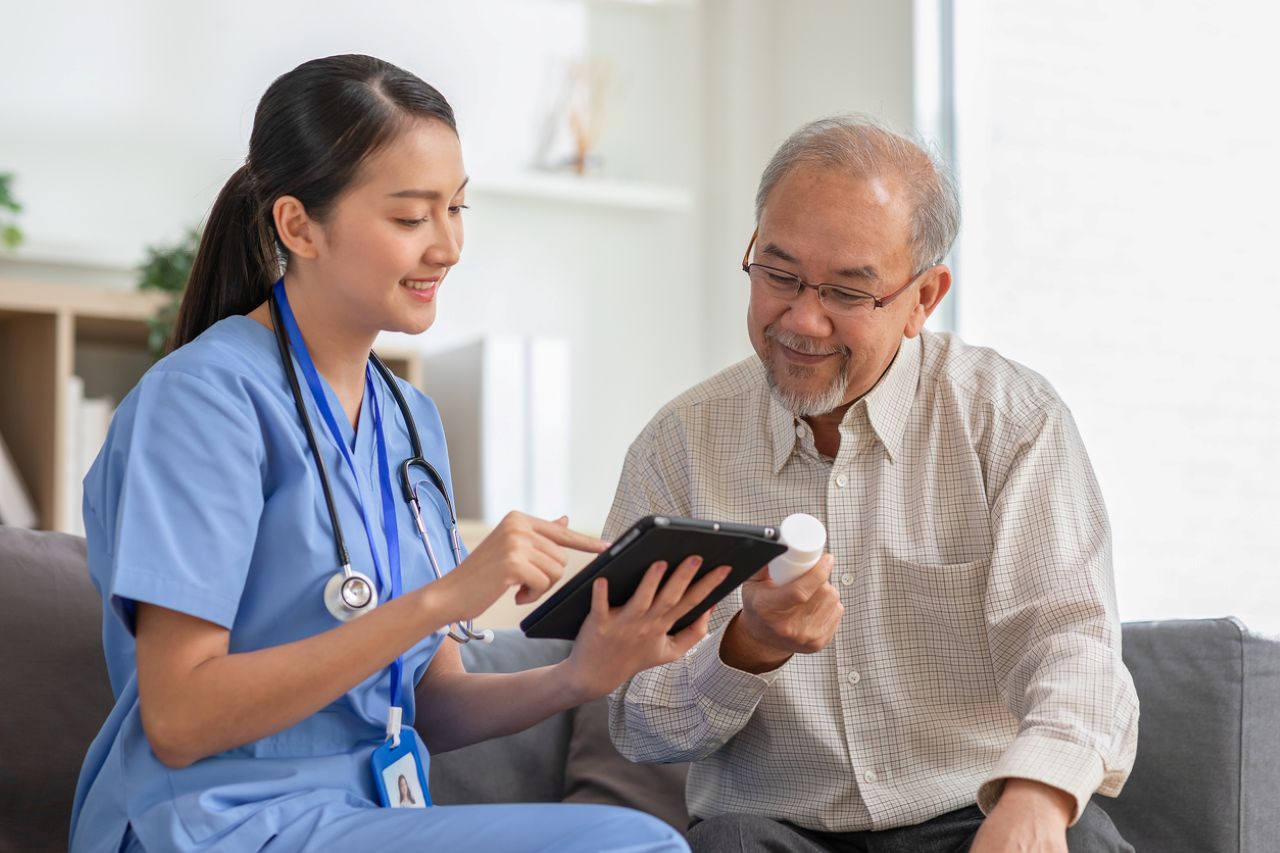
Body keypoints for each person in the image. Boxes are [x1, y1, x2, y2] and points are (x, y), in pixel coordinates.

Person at [69, 54, 719, 853]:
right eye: (411, 217)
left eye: (457, 207)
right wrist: (446, 596)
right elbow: (177, 719)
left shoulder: (408, 420)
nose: (447, 245)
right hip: (212, 822)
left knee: (638, 836)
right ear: (297, 225)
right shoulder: (201, 403)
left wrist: (580, 675)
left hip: (365, 818)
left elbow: (429, 704)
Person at [605, 116, 1139, 853]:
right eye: (778, 274)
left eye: (847, 293)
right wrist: (747, 647)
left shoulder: (1011, 422)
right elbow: (635, 720)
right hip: (772, 829)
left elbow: (1071, 643)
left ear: (924, 297)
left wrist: (1039, 797)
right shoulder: (679, 446)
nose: (801, 320)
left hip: (972, 813)